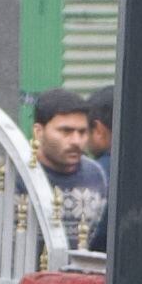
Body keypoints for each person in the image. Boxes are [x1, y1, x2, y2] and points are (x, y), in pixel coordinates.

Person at [31, 86, 108, 252]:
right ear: (39, 132)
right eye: (66, 131)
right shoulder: (16, 175)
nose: (76, 140)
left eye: (82, 132)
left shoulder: (96, 175)